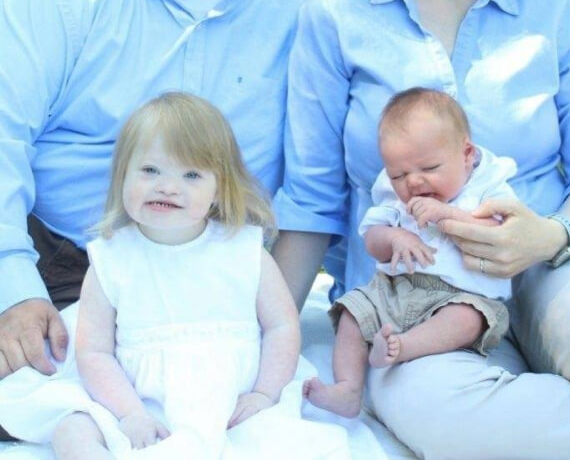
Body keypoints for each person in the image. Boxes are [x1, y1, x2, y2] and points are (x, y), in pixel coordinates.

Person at [273, 0, 570, 458]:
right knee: (450, 421)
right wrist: (261, 339)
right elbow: (310, 199)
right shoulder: (334, 10)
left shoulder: (557, 3)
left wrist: (549, 235)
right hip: (409, 297)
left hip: (550, 269)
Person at [0, 0, 315, 385]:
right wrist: (12, 289)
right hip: (58, 269)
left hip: (225, 283)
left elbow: (325, 184)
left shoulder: (312, 14)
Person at [0, 93, 350, 460]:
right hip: (133, 395)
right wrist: (130, 413)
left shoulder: (244, 250)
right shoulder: (112, 258)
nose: (167, 186)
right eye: (150, 170)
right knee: (74, 425)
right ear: (123, 175)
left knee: (273, 440)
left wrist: (265, 393)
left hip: (234, 398)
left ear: (219, 189)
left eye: (191, 175)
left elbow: (281, 326)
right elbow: (95, 351)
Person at [303, 88, 516, 417]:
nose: (413, 183)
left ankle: (402, 347)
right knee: (352, 315)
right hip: (396, 290)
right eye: (399, 175)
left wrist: (448, 215)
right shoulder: (394, 199)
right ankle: (348, 389)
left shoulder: (487, 187)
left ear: (467, 154)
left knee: (468, 319)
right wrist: (394, 236)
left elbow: (500, 233)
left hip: (461, 295)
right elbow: (372, 239)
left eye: (429, 168)